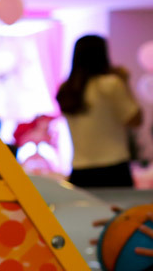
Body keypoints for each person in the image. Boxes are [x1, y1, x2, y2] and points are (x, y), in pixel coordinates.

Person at [56, 34, 142, 188]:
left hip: (80, 170)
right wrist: (125, 82)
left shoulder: (68, 88)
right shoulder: (111, 84)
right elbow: (136, 120)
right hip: (114, 169)